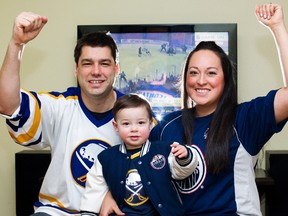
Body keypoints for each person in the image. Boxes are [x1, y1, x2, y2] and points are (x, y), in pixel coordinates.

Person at [149, 3, 288, 216]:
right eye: (194, 73)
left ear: (225, 80)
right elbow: (140, 172)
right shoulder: (167, 126)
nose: (201, 80)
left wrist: (278, 27)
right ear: (185, 79)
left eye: (211, 73)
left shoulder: (245, 119)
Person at [0, 12, 125, 215]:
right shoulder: (59, 106)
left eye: (104, 63)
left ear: (116, 69)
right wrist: (16, 44)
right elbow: (7, 105)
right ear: (76, 69)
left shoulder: (136, 115)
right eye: (87, 63)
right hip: (57, 211)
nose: (96, 71)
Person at [80, 94, 198, 216]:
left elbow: (182, 172)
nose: (134, 129)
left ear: (151, 124)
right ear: (116, 126)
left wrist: (185, 157)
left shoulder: (164, 150)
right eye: (126, 124)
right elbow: (94, 191)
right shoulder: (106, 158)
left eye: (141, 123)